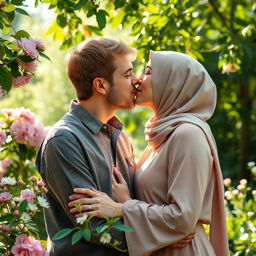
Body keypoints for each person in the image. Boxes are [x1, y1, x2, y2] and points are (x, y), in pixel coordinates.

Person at [36, 39, 193, 256]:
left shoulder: (120, 137)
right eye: (128, 74)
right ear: (101, 85)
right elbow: (91, 225)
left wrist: (162, 225)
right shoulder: (63, 140)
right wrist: (161, 239)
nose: (137, 81)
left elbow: (131, 205)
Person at [68, 51, 230, 256]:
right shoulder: (162, 135)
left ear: (172, 83)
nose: (137, 81)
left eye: (147, 73)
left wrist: (122, 208)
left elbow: (182, 218)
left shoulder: (188, 135)